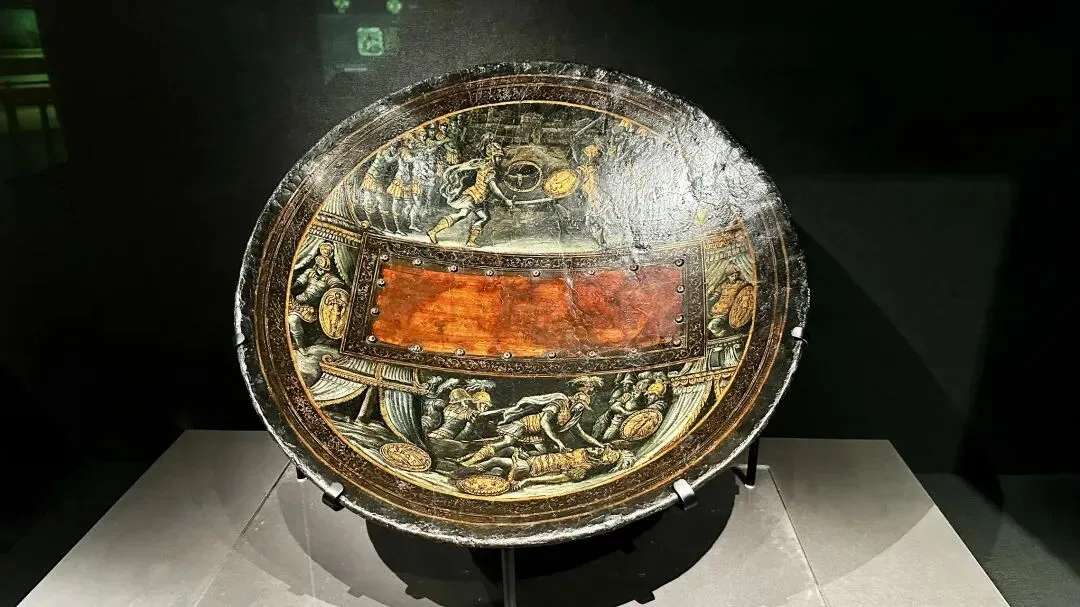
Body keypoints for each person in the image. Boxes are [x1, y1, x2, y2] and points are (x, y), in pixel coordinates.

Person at [458, 376, 605, 465]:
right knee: (506, 441)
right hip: (525, 425)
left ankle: (513, 454)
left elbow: (582, 434)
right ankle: (471, 461)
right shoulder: (560, 402)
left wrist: (600, 445)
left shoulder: (572, 416)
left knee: (542, 453)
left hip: (536, 434)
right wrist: (558, 442)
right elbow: (544, 422)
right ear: (575, 400)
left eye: (583, 407)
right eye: (581, 405)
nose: (581, 408)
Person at [426, 142, 513, 247]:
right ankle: (470, 241)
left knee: (461, 215)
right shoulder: (490, 170)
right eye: (498, 157)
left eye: (500, 157)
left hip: (474, 196)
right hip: (474, 197)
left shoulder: (484, 164)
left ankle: (433, 231)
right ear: (492, 156)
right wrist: (506, 199)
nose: (500, 159)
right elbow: (493, 188)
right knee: (484, 217)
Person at [457, 445, 634, 491]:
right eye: (599, 448)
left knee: (496, 460)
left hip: (531, 467)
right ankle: (469, 460)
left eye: (600, 451)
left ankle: (462, 471)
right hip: (532, 459)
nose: (596, 448)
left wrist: (528, 481)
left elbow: (556, 479)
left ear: (601, 461)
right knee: (508, 448)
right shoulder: (583, 452)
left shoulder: (582, 468)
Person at [288, 243, 345, 352]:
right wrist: (290, 290)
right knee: (291, 319)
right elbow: (298, 284)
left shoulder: (329, 278)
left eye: (323, 269)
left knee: (293, 320)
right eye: (320, 268)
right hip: (298, 302)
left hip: (314, 308)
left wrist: (333, 289)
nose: (321, 270)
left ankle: (301, 347)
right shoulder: (309, 272)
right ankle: (297, 344)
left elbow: (337, 288)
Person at [707, 266, 748, 336]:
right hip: (716, 309)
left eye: (736, 275)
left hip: (727, 312)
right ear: (728, 276)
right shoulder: (724, 285)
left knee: (712, 326)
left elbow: (747, 291)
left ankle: (726, 335)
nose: (734, 278)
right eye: (732, 276)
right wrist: (709, 301)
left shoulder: (740, 284)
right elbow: (716, 295)